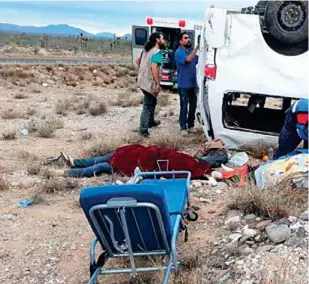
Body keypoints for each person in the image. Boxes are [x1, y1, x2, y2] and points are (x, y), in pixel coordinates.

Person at [57, 144, 211, 179]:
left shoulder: (192, 165)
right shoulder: (191, 163)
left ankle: (70, 170)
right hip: (142, 155)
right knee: (105, 161)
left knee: (105, 163)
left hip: (140, 158)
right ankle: (74, 163)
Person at [136, 32, 165, 137]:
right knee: (148, 105)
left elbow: (137, 60)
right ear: (157, 40)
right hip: (149, 81)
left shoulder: (146, 50)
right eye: (162, 38)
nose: (164, 40)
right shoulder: (157, 52)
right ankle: (143, 129)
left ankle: (151, 121)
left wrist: (142, 69)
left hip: (142, 79)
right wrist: (157, 82)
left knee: (152, 101)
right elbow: (154, 67)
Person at [175, 33, 199, 132]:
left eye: (188, 38)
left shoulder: (190, 52)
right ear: (180, 41)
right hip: (183, 84)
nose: (188, 39)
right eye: (185, 38)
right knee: (184, 106)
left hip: (193, 84)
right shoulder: (179, 52)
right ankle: (183, 127)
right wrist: (196, 49)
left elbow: (198, 60)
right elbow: (188, 59)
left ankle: (191, 126)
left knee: (193, 106)